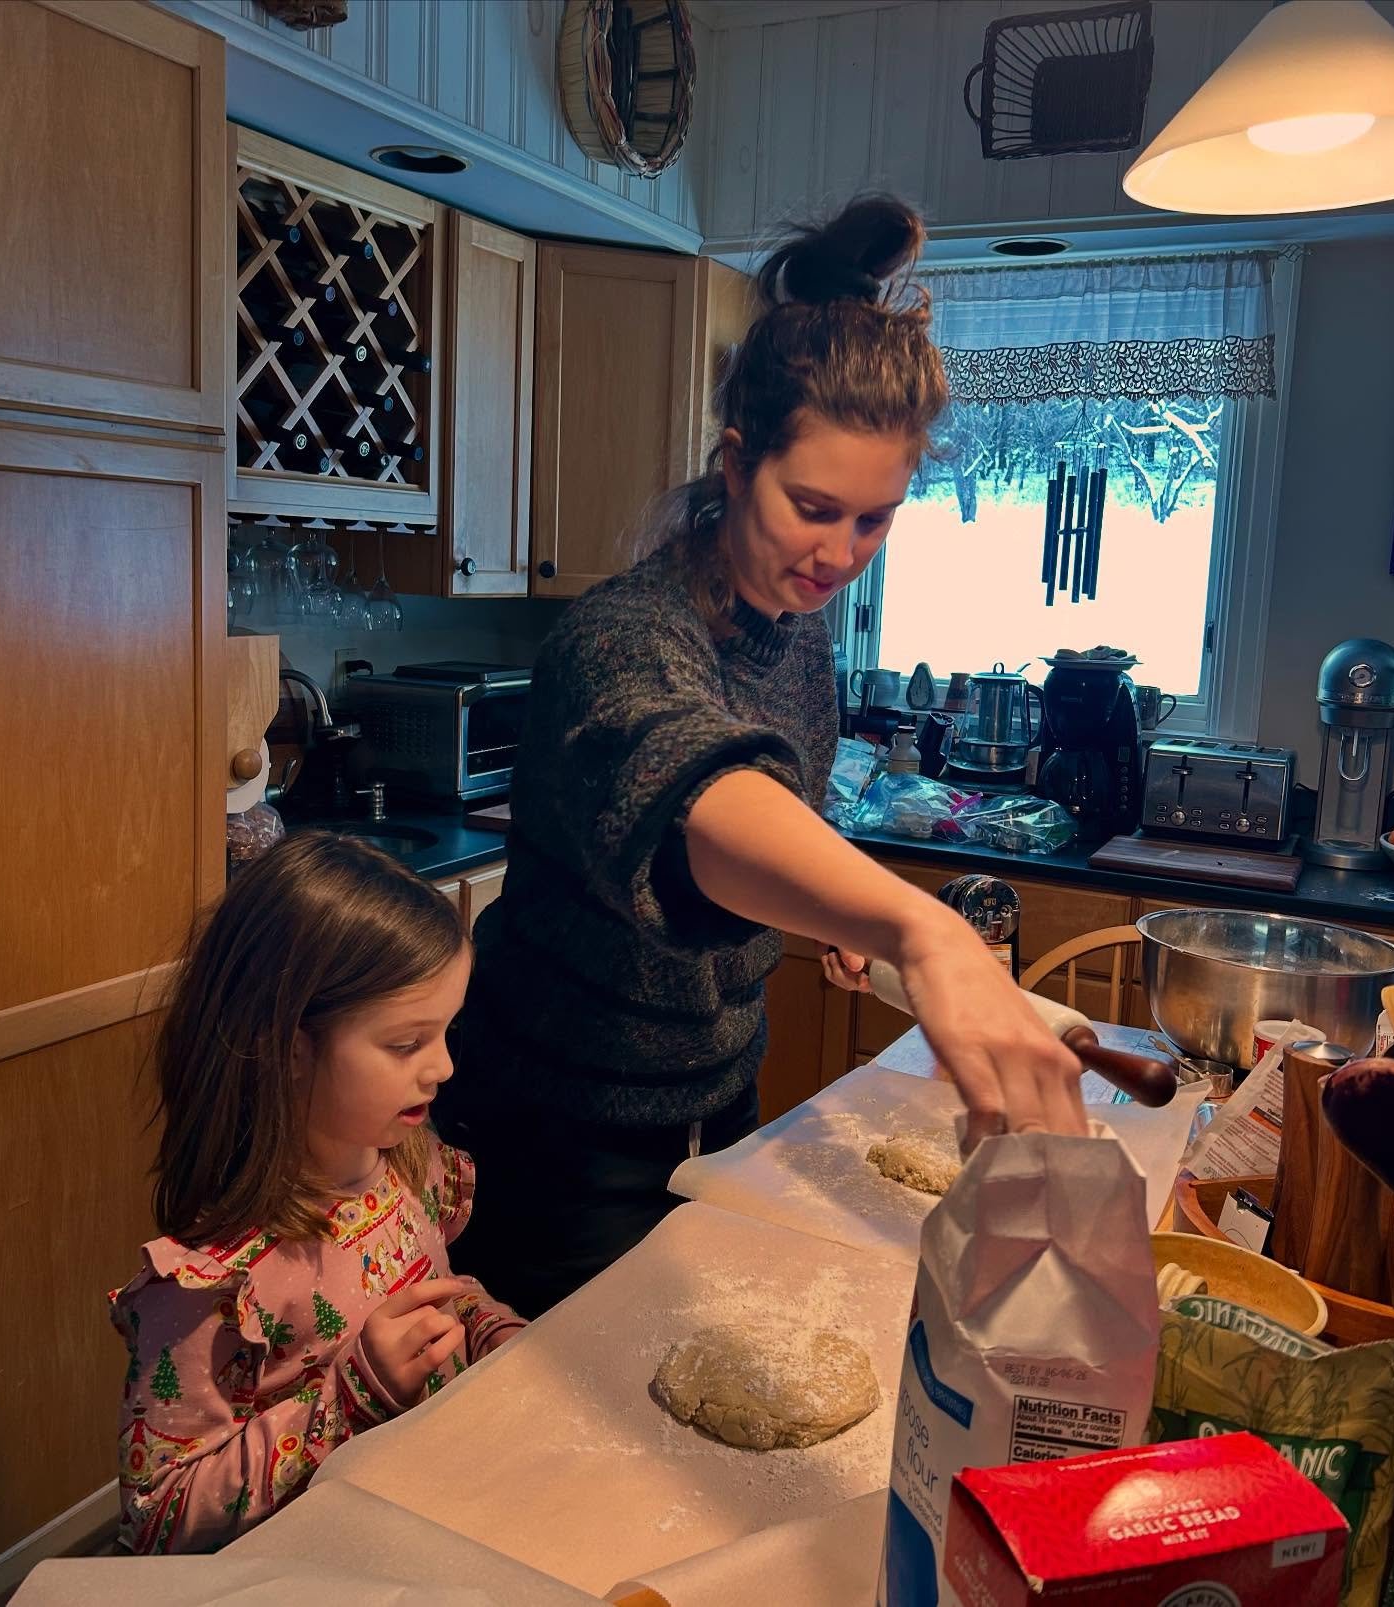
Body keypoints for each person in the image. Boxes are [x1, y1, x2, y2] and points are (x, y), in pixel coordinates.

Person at [446, 195, 1083, 1319]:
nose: (841, 554)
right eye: (815, 507)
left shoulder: (799, 632)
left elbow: (767, 830)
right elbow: (704, 794)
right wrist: (914, 927)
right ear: (737, 462)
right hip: (561, 1138)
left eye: (877, 520)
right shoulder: (621, 640)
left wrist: (832, 914)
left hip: (720, 1102)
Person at [109, 833, 524, 1555]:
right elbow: (160, 1516)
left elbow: (436, 1295)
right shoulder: (211, 1281)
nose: (445, 1067)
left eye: (446, 1032)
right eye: (406, 1044)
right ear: (290, 1048)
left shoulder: (405, 1164)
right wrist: (352, 1392)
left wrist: (489, 1330)